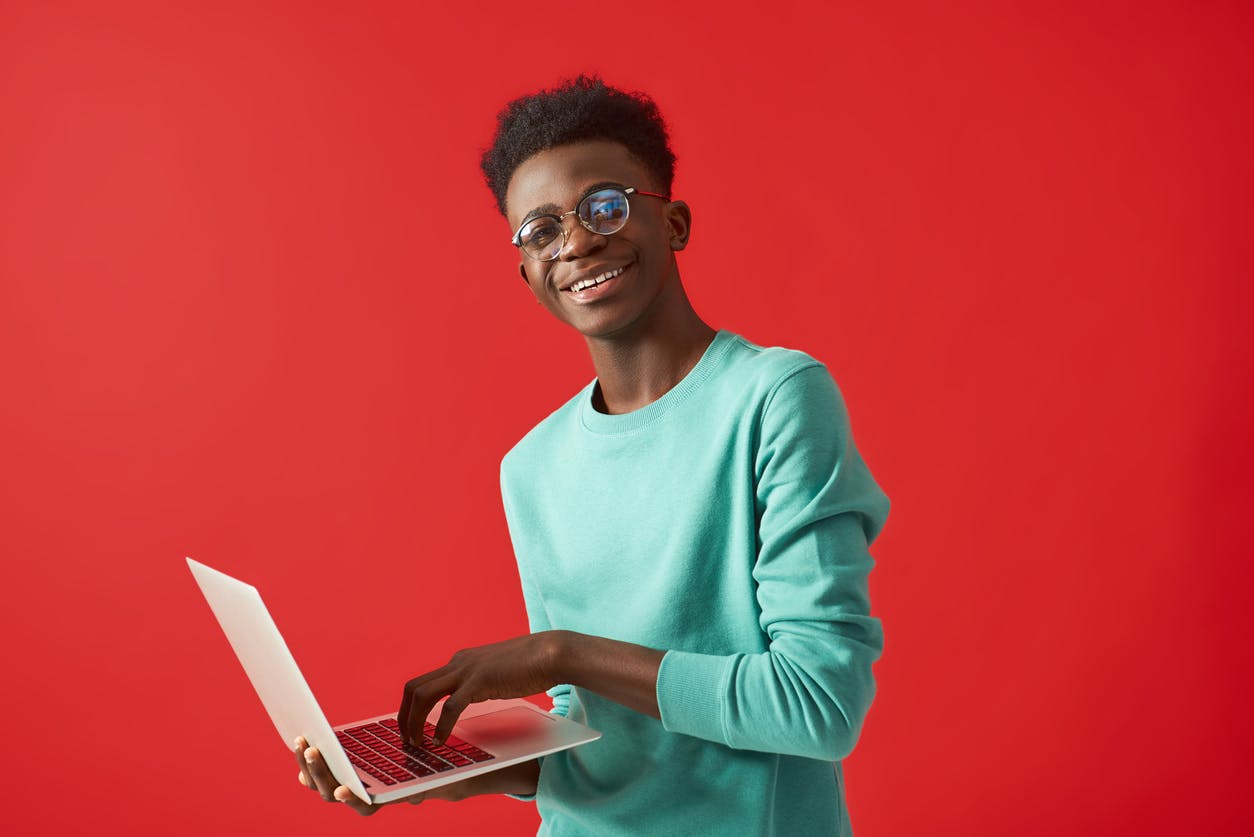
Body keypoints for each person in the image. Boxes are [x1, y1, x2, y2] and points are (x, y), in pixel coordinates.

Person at [294, 74, 889, 836]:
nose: (575, 241)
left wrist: (562, 653)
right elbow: (587, 727)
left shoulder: (774, 397)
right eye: (540, 231)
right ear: (527, 274)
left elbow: (818, 705)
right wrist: (428, 770)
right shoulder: (531, 467)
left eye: (605, 205)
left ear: (673, 222)